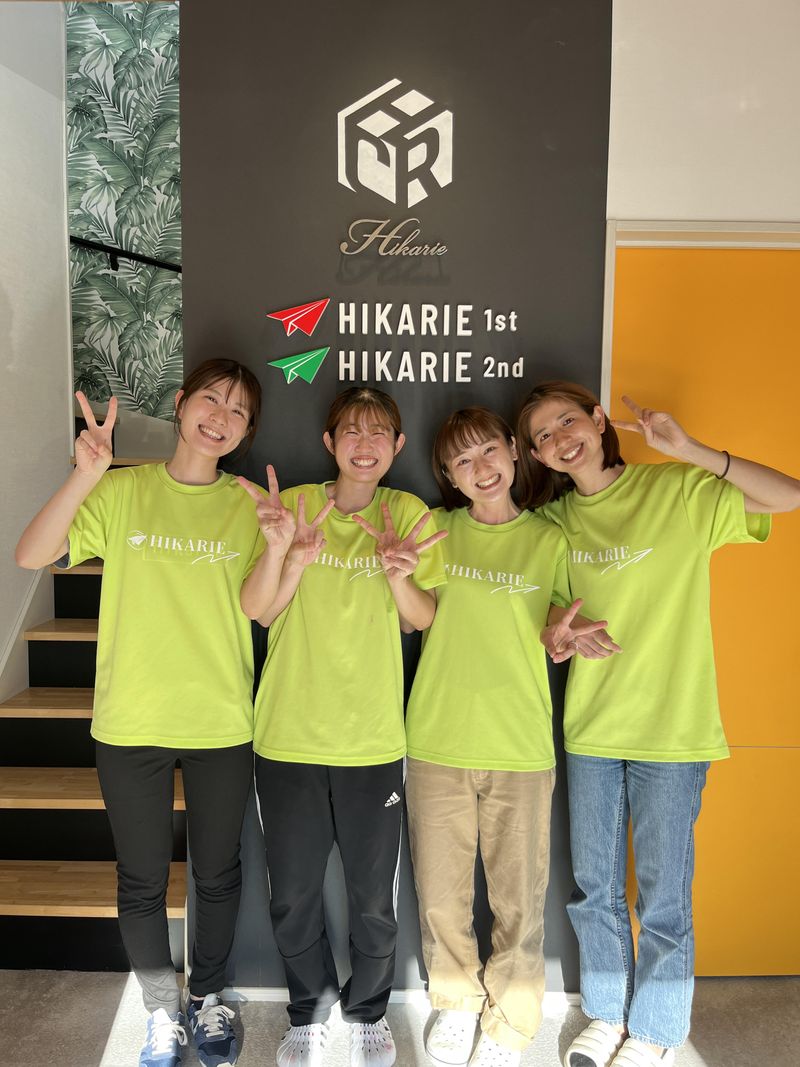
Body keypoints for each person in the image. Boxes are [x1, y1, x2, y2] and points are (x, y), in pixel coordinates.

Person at [514, 381, 800, 1067]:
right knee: (595, 890)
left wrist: (694, 450)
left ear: (598, 420)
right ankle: (608, 1014)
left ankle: (658, 1029)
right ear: (538, 456)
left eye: (568, 420)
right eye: (543, 435)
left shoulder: (677, 491)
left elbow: (787, 497)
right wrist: (560, 635)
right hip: (592, 729)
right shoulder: (553, 525)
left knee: (664, 896)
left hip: (673, 731)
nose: (560, 438)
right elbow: (550, 619)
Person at [16, 359, 266, 1067]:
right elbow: (32, 553)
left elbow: (262, 606)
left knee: (218, 872)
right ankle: (161, 1009)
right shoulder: (123, 490)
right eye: (211, 399)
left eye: (238, 411)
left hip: (221, 719)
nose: (220, 417)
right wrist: (85, 474)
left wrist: (284, 545)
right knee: (142, 877)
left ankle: (208, 997)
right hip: (131, 719)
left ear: (246, 432)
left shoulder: (249, 506)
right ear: (181, 403)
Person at [238, 387, 448, 1067]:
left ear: (398, 446)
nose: (365, 443)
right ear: (329, 442)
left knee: (374, 900)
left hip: (373, 740)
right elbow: (258, 608)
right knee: (292, 895)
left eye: (379, 431)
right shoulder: (296, 504)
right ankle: (308, 1012)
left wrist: (397, 573)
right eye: (351, 431)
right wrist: (286, 552)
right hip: (287, 735)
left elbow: (422, 618)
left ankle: (366, 1013)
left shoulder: (408, 514)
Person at [403, 407, 617, 1067]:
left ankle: (510, 1024)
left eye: (490, 450)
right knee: (441, 894)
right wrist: (397, 575)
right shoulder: (436, 530)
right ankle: (455, 1002)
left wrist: (561, 635)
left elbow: (558, 615)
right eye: (463, 460)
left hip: (521, 744)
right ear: (450, 477)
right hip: (437, 738)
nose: (482, 467)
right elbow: (415, 618)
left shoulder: (550, 537)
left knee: (519, 897)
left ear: (514, 452)